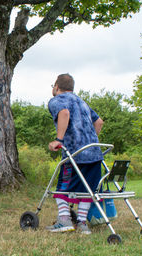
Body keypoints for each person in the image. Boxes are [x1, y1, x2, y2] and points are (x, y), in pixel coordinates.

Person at [46, 73, 104, 234]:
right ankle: (82, 223)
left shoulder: (57, 101)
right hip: (94, 153)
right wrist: (89, 142)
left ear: (56, 86)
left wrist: (59, 139)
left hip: (75, 154)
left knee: (61, 189)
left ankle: (64, 220)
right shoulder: (81, 102)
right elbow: (99, 122)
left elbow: (64, 113)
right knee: (87, 190)